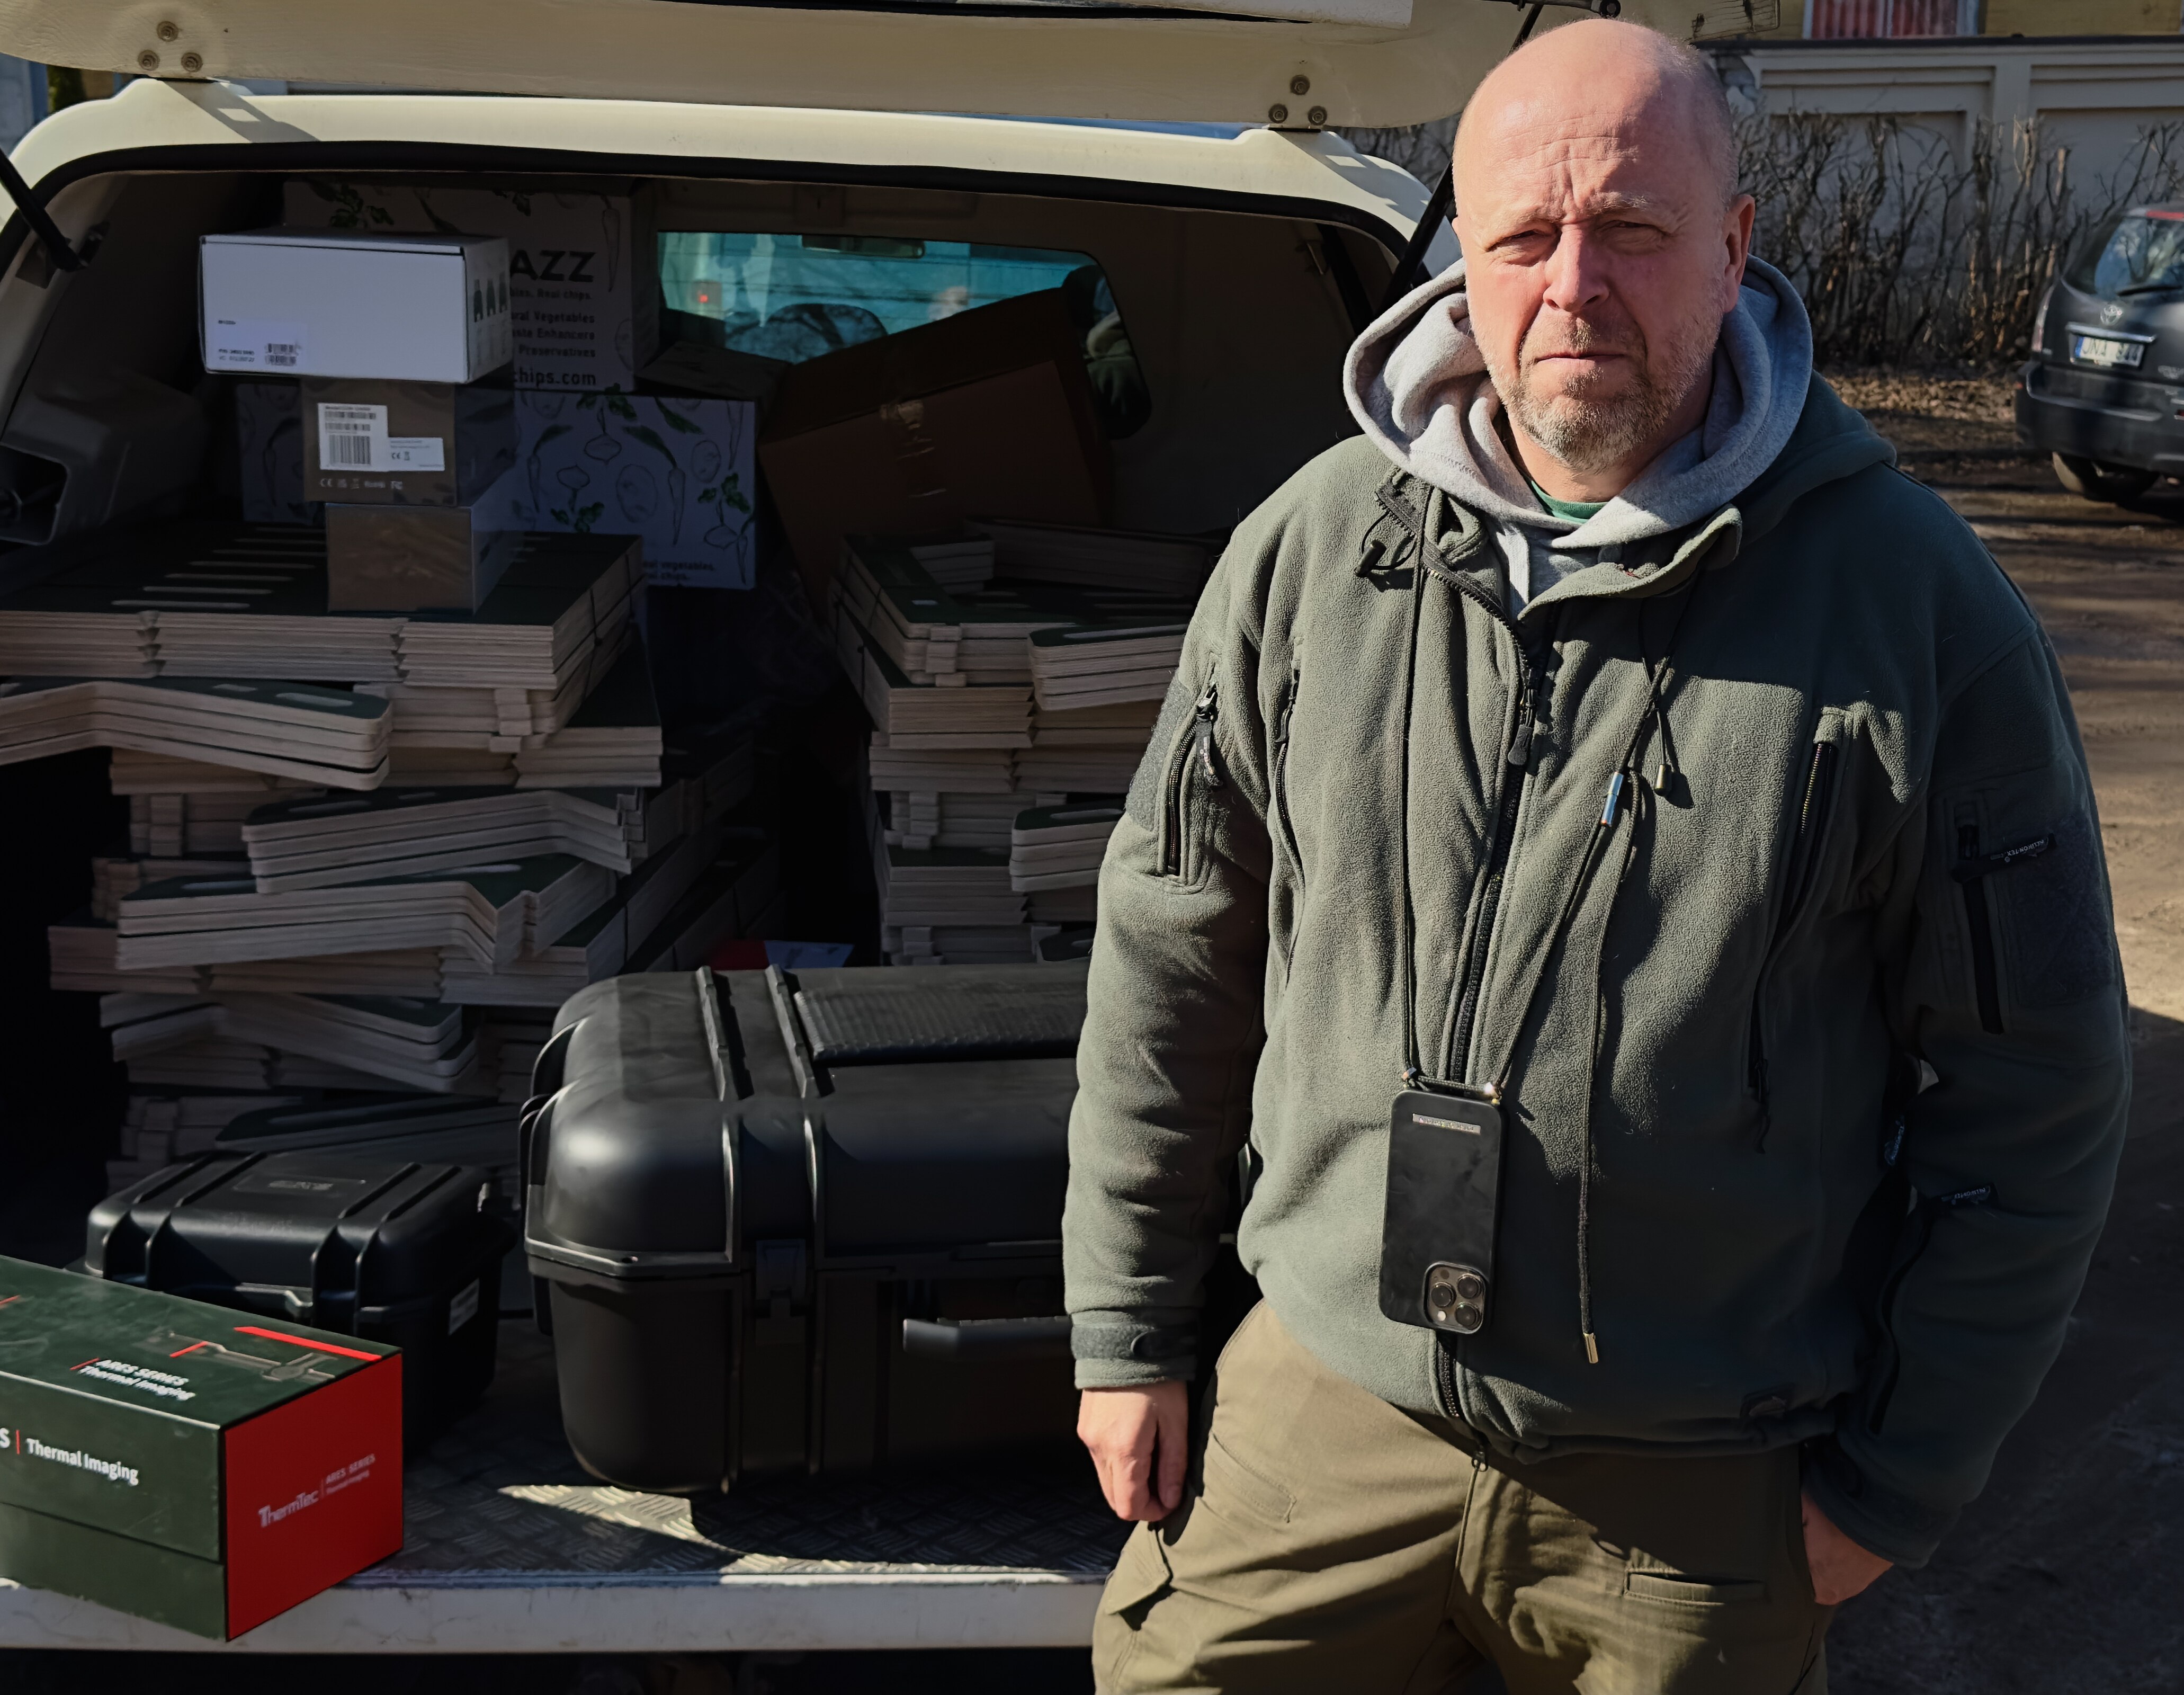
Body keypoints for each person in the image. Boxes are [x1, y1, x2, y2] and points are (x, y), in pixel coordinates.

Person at [1062, 17, 2129, 1694]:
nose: (1572, 285)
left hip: (1693, 1481)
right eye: (1523, 235)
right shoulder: (1310, 556)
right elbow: (1171, 955)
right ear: (1465, 259)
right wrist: (1126, 1328)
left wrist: (1899, 1479)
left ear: (1734, 244)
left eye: (1630, 228)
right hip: (1322, 1411)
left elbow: (2035, 1088)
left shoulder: (1916, 615)